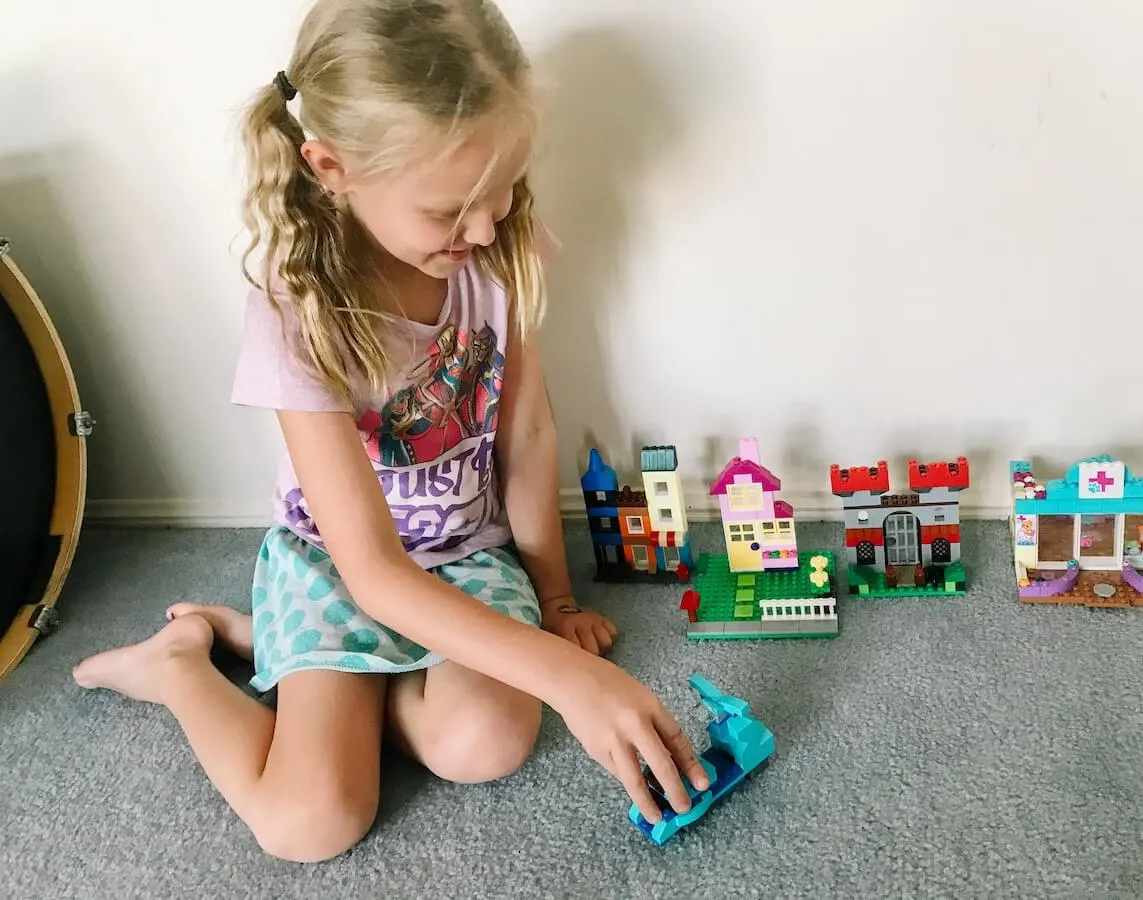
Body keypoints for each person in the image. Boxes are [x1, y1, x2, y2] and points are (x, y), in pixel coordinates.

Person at [72, 0, 708, 863]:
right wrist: (571, 678)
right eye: (452, 208)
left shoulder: (498, 250)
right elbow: (367, 568)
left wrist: (556, 602)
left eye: (503, 189)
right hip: (338, 569)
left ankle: (291, 658)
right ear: (332, 168)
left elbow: (523, 434)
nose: (486, 226)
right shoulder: (299, 313)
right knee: (311, 824)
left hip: (467, 553)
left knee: (485, 745)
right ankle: (182, 666)